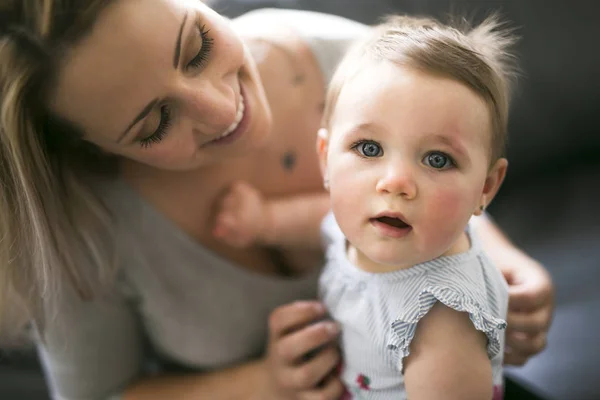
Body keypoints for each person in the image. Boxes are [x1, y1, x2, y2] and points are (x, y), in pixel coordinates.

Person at [0, 1, 552, 399]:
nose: (223, 110)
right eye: (156, 123)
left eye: (197, 47)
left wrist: (503, 262)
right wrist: (261, 384)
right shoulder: (72, 229)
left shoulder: (336, 55)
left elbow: (446, 162)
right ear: (85, 150)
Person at [214, 13, 517, 399]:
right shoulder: (357, 223)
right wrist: (265, 221)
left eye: (437, 159)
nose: (395, 182)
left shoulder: (441, 321)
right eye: (369, 148)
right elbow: (319, 219)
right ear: (325, 160)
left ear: (485, 188)